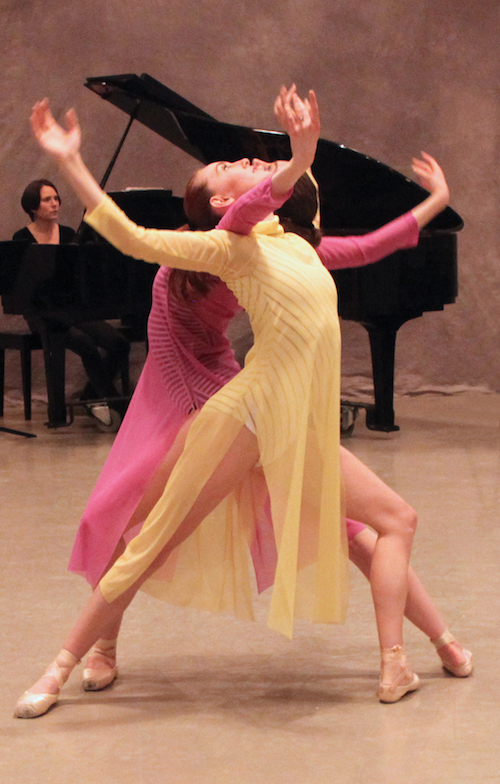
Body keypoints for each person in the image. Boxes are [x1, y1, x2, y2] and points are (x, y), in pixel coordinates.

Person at [14, 86, 462, 719]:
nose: (247, 161)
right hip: (182, 391)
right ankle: (90, 651)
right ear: (223, 202)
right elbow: (144, 232)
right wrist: (72, 163)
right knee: (131, 525)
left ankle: (435, 643)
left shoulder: (287, 245)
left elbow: (366, 246)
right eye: (230, 167)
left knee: (357, 526)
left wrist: (434, 204)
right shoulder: (223, 241)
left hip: (237, 390)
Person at [12, 178, 130, 423]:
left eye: (56, 198)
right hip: (40, 312)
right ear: (33, 207)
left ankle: (91, 395)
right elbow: (20, 285)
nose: (55, 204)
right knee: (85, 344)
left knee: (118, 343)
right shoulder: (21, 238)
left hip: (71, 309)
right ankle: (117, 405)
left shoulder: (68, 234)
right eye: (47, 200)